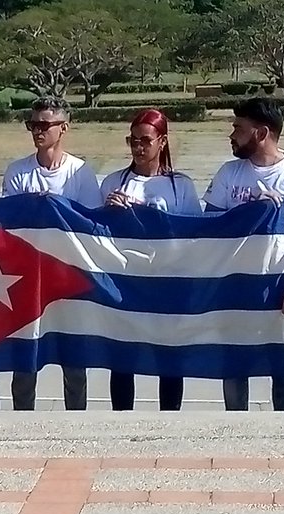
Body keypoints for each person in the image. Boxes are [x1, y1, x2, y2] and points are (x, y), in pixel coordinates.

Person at [203, 97, 284, 411]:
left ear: (261, 134)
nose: (232, 135)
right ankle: (236, 427)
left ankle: (283, 429)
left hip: (280, 290)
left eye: (238, 128)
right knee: (234, 365)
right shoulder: (229, 173)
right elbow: (211, 226)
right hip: (234, 289)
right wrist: (251, 210)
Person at [2, 96, 102, 411]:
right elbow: (10, 223)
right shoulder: (18, 171)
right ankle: (22, 423)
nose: (38, 131)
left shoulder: (81, 173)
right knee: (25, 360)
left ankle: (76, 423)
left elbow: (89, 224)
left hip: (69, 278)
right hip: (28, 279)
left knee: (74, 360)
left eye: (45, 125)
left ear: (64, 128)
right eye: (33, 124)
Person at [99, 108, 202, 412]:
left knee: (168, 356)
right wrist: (107, 213)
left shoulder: (180, 186)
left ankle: (169, 420)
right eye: (133, 141)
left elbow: (197, 234)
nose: (139, 147)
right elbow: (93, 235)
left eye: (146, 140)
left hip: (168, 283)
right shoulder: (113, 182)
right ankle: (121, 418)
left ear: (163, 142)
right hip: (126, 282)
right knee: (123, 356)